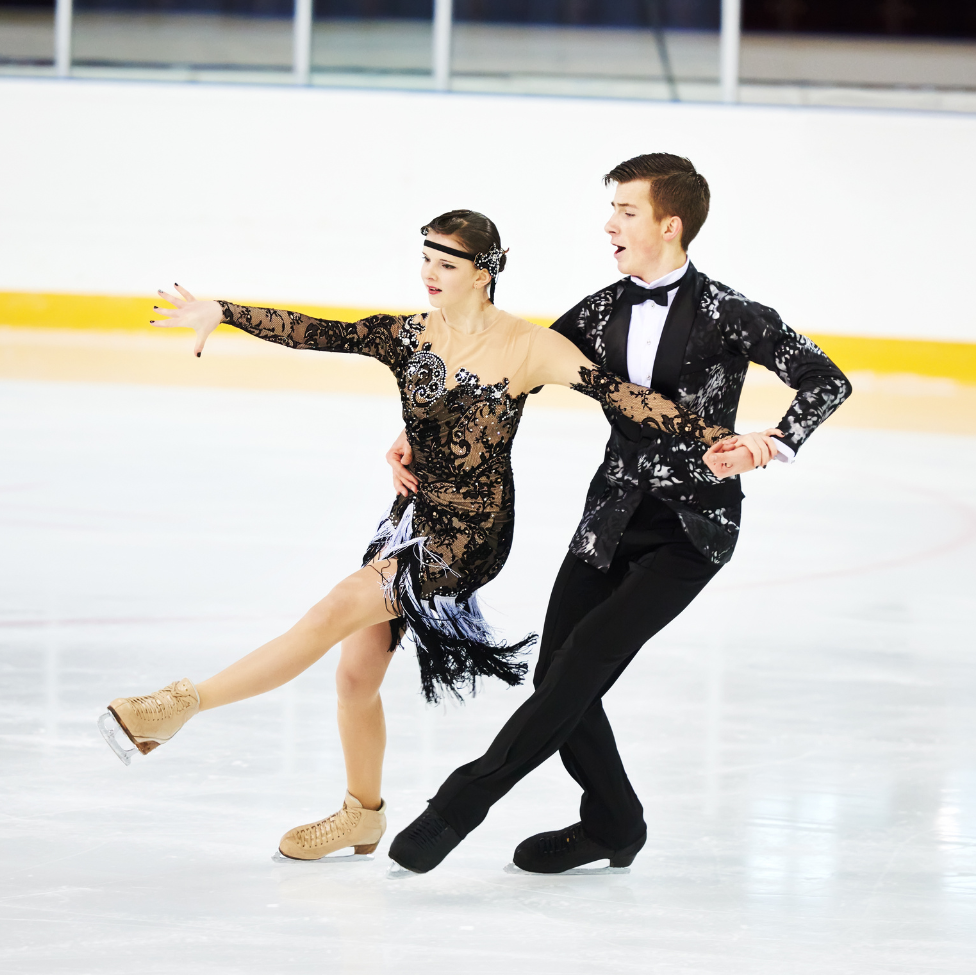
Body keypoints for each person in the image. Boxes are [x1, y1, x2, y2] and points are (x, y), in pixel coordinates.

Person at [96, 208, 747, 864]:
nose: (429, 274)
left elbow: (623, 395)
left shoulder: (528, 347)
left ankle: (179, 706)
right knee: (356, 676)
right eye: (427, 259)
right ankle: (361, 815)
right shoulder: (408, 336)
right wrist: (225, 310)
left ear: (484, 273)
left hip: (470, 535)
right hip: (410, 519)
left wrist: (720, 439)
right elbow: (317, 331)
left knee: (332, 610)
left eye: (446, 263)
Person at [385, 156, 853, 875]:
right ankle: (614, 822)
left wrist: (770, 443)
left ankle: (461, 803)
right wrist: (423, 429)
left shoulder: (732, 312)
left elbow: (826, 379)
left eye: (626, 211)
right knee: (558, 675)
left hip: (691, 531)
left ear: (670, 225)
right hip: (609, 518)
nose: (610, 224)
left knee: (581, 666)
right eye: (612, 210)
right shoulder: (599, 311)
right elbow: (510, 368)